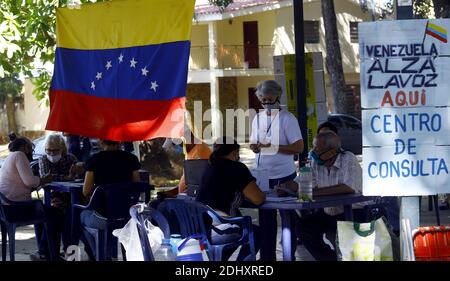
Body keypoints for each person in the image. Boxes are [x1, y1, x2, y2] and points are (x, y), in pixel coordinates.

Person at [249, 80, 304, 261]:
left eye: (269, 99)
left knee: (287, 221)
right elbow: (253, 142)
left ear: (277, 97)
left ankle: (289, 256)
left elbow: (299, 147)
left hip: (284, 175)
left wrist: (273, 146)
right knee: (266, 221)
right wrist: (255, 147)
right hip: (263, 176)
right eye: (262, 99)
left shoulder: (287, 118)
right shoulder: (258, 117)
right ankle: (267, 260)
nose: (266, 102)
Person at [296, 131, 365, 261]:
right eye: (313, 147)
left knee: (342, 235)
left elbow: (348, 187)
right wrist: (288, 186)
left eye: (317, 148)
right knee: (303, 228)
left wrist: (313, 192)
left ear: (332, 151)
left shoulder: (348, 158)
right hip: (329, 212)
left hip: (354, 212)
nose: (313, 151)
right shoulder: (315, 162)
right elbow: (304, 184)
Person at [196, 136, 266, 261]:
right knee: (256, 232)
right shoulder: (237, 168)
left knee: (239, 226)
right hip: (217, 229)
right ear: (234, 153)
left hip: (199, 227)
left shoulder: (208, 166)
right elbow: (258, 199)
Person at [0, 133, 63, 261]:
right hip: (16, 209)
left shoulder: (10, 157)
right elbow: (29, 182)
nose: (32, 152)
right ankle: (50, 254)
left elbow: (24, 183)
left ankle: (43, 253)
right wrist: (44, 179)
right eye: (31, 149)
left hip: (6, 208)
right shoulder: (20, 155)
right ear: (24, 147)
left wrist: (38, 182)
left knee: (44, 212)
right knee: (56, 213)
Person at [80, 139, 141, 260]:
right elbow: (136, 186)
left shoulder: (94, 160)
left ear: (101, 143)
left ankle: (99, 255)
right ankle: (109, 255)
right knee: (110, 221)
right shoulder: (131, 159)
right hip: (127, 216)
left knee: (82, 215)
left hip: (103, 217)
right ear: (120, 142)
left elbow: (86, 191)